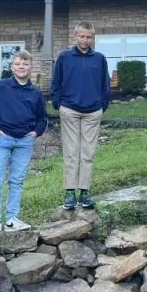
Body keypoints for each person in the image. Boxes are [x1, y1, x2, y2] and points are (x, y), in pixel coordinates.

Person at [0, 50, 48, 230]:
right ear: (12, 67)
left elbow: (42, 118)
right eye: (17, 64)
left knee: (16, 180)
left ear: (31, 67)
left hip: (24, 141)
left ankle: (12, 218)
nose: (21, 67)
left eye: (25, 64)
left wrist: (35, 132)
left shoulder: (35, 93)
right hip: (2, 139)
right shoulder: (0, 86)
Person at [51, 22, 111, 210]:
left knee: (88, 153)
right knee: (71, 152)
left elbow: (105, 84)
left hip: (93, 111)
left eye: (88, 37)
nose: (85, 40)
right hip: (69, 109)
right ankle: (70, 192)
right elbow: (56, 83)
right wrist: (58, 103)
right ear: (75, 36)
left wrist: (103, 104)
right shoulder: (64, 57)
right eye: (82, 36)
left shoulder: (99, 59)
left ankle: (84, 191)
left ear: (93, 38)